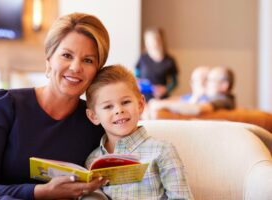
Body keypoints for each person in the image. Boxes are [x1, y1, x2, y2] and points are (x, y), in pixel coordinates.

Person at [0, 12, 110, 199]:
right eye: (67, 55)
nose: (76, 67)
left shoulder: (94, 122)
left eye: (88, 60)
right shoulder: (4, 106)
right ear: (49, 60)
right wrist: (42, 192)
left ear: (97, 71)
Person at [85, 65, 193, 199]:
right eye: (108, 106)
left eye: (125, 102)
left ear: (140, 105)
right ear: (93, 116)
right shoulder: (92, 161)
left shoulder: (162, 150)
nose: (119, 110)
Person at [148, 66, 235, 117]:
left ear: (224, 85)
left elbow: (196, 109)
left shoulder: (223, 100)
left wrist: (163, 104)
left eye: (211, 80)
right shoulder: (217, 98)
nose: (206, 83)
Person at [135, 27, 178, 102]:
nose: (150, 43)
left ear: (160, 40)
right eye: (147, 41)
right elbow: (135, 76)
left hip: (161, 100)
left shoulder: (169, 61)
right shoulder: (142, 58)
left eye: (153, 40)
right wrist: (138, 83)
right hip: (143, 100)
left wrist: (165, 89)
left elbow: (174, 82)